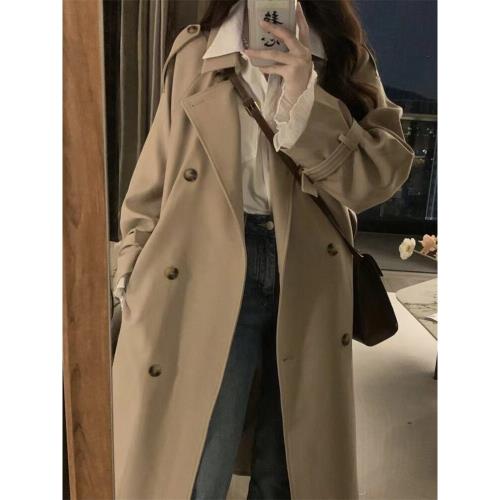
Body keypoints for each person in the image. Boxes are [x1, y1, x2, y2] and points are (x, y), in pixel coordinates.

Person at [112, 1, 415, 499]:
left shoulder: (342, 53)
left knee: (291, 464)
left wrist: (304, 93)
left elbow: (378, 178)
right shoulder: (197, 51)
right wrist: (131, 262)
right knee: (195, 458)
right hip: (202, 264)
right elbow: (155, 174)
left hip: (307, 270)